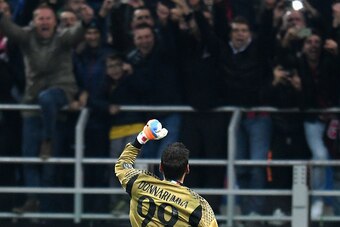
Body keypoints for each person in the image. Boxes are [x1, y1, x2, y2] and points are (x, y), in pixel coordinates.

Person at [0, 3, 94, 213]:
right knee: (29, 157)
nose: (44, 22)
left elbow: (77, 33)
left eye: (48, 18)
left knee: (47, 100)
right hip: (31, 102)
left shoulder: (62, 37)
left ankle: (48, 141)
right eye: (40, 18)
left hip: (60, 94)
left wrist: (86, 21)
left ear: (54, 21)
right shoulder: (27, 37)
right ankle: (33, 200)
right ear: (34, 22)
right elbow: (10, 29)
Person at [115, 119, 218, 226]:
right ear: (187, 169)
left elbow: (122, 165)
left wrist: (142, 137)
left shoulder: (138, 183)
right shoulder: (198, 206)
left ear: (160, 167)